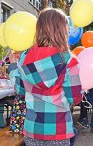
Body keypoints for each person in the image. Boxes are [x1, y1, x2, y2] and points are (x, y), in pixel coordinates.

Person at [8, 8, 82, 145]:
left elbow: (20, 90)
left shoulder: (24, 57)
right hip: (58, 130)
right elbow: (75, 98)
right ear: (62, 30)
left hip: (32, 128)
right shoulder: (69, 60)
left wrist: (13, 66)